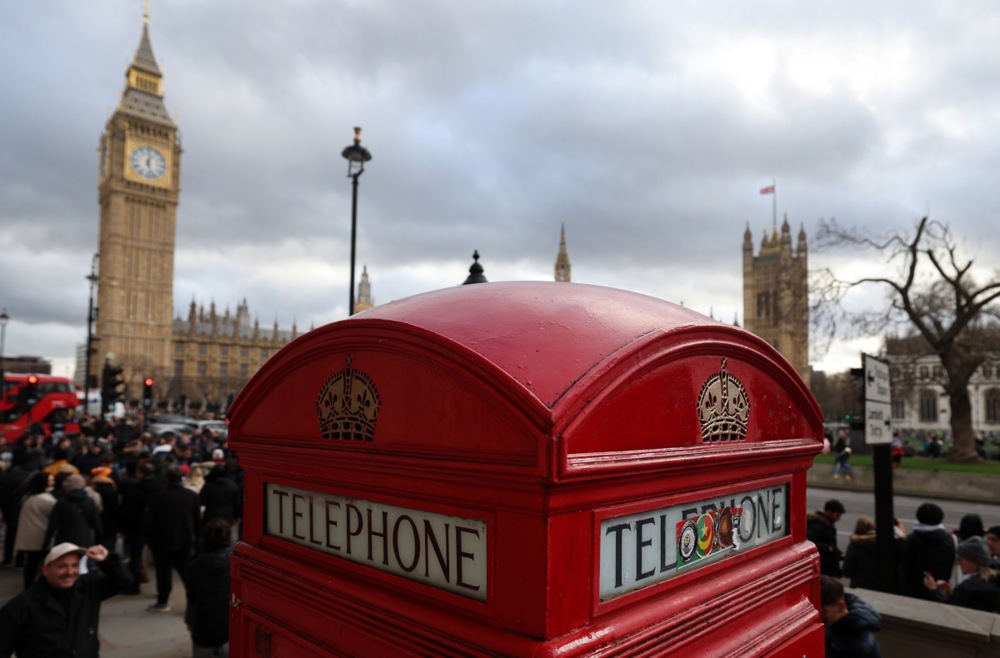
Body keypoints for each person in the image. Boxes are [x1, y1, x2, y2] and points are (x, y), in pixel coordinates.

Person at [0, 542, 133, 658]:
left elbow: (125, 584)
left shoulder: (88, 587)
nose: (70, 572)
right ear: (46, 570)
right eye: (62, 566)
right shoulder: (21, 606)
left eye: (75, 565)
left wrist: (107, 561)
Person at [144, 464, 201, 612]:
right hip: (185, 539)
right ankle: (194, 599)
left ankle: (163, 601)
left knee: (163, 571)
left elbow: (150, 521)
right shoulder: (191, 495)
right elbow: (197, 519)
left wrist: (150, 538)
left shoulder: (158, 497)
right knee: (185, 570)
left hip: (162, 540)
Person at [185, 518, 233, 657]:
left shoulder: (194, 567)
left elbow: (192, 598)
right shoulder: (235, 563)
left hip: (203, 629)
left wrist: (190, 620)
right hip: (228, 627)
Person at [923, 536, 1000, 612]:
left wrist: (933, 589)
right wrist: (949, 593)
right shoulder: (994, 580)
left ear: (973, 562)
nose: (958, 562)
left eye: (961, 559)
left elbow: (948, 609)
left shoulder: (967, 588)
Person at [12, 472, 57, 590]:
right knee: (44, 564)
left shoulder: (27, 496)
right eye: (50, 480)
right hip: (41, 536)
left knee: (31, 563)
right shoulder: (47, 500)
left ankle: (28, 587)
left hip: (29, 536)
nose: (53, 482)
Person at [901, 502, 956, 599]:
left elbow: (905, 567)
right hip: (940, 590)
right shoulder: (949, 539)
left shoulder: (912, 540)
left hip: (913, 592)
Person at [820, 574, 883, 657]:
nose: (819, 616)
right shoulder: (839, 625)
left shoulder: (858, 646)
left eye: (823, 611)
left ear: (841, 606)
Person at [807, 499, 845, 577]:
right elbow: (810, 541)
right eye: (837, 515)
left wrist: (838, 553)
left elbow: (831, 544)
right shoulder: (817, 525)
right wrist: (827, 548)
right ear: (829, 512)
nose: (838, 518)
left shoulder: (828, 524)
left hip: (829, 568)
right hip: (823, 569)